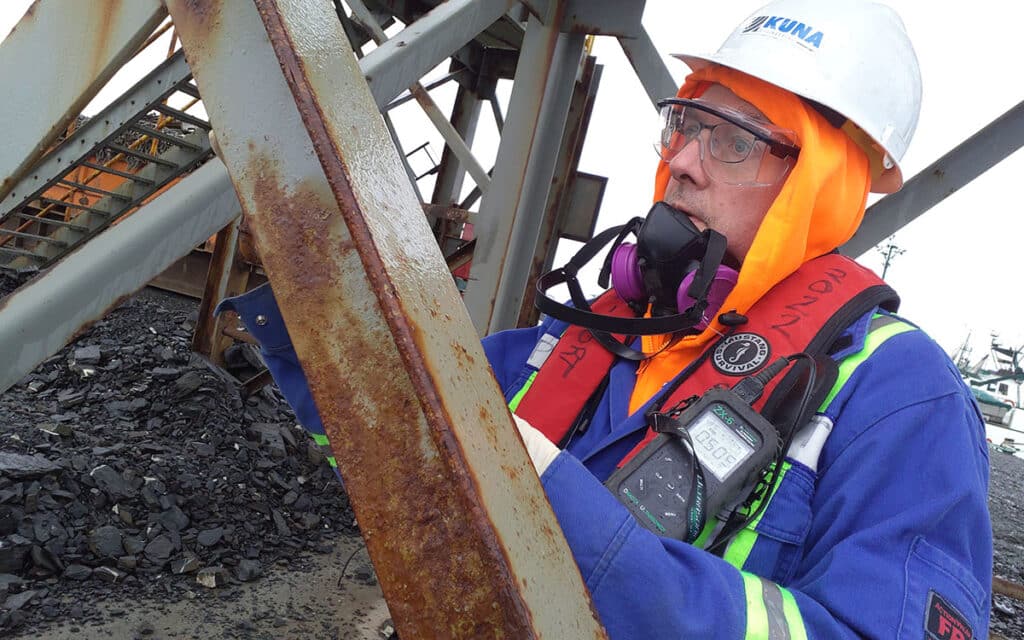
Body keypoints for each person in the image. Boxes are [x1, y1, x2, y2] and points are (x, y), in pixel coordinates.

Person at [218, 0, 993, 637]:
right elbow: (387, 426)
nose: (685, 159)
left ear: (822, 181)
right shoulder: (591, 338)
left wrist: (561, 513)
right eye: (687, 123)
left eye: (733, 142)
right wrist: (308, 278)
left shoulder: (897, 398)